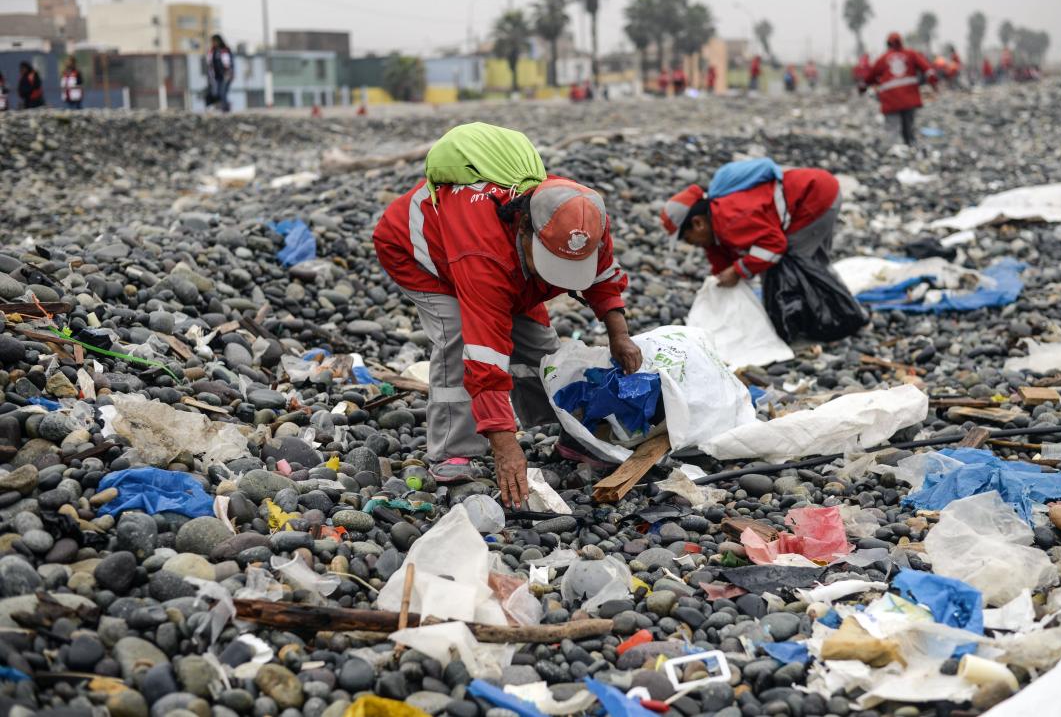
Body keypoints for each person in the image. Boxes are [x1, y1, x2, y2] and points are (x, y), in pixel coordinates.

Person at [373, 123, 640, 507]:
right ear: (525, 228)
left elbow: (602, 275)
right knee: (459, 338)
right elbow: (485, 354)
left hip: (510, 267)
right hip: (422, 254)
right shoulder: (485, 254)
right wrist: (505, 445)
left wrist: (619, 333)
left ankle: (563, 431)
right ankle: (452, 449)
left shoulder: (580, 217)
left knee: (541, 347)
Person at [660, 159, 843, 289]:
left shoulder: (729, 220)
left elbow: (775, 246)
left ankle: (819, 317)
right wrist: (722, 273)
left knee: (792, 265)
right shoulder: (717, 221)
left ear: (698, 223)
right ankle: (840, 307)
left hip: (815, 198)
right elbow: (720, 253)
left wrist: (738, 271)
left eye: (688, 239)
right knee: (815, 262)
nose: (693, 244)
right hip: (821, 187)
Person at [860, 32, 936, 147]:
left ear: (888, 44)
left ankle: (891, 152)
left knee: (892, 130)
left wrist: (863, 87)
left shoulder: (883, 59)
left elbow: (870, 77)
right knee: (908, 129)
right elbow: (928, 70)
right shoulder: (911, 54)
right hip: (909, 100)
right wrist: (933, 83)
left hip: (891, 102)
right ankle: (910, 147)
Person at [206, 34, 234, 112]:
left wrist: (228, 73)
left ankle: (225, 109)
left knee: (223, 92)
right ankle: (221, 107)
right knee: (216, 92)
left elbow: (228, 63)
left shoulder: (224, 50)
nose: (212, 43)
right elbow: (210, 63)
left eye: (213, 41)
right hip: (216, 76)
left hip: (225, 75)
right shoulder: (213, 51)